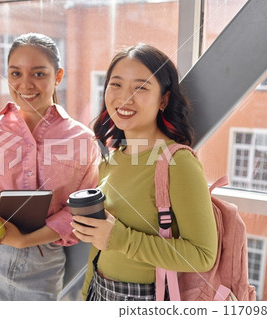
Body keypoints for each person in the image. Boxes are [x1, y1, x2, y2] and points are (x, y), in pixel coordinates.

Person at [0, 33, 99, 300]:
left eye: (38, 74)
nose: (25, 84)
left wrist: (24, 240)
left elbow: (79, 211)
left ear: (58, 76)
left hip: (42, 265)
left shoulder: (82, 140)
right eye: (15, 74)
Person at [71, 44, 218, 301]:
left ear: (163, 99)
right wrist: (85, 297)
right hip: (100, 291)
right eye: (115, 84)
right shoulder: (112, 158)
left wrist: (120, 238)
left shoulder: (179, 162)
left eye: (140, 87)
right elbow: (102, 244)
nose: (124, 98)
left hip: (148, 297)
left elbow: (202, 256)